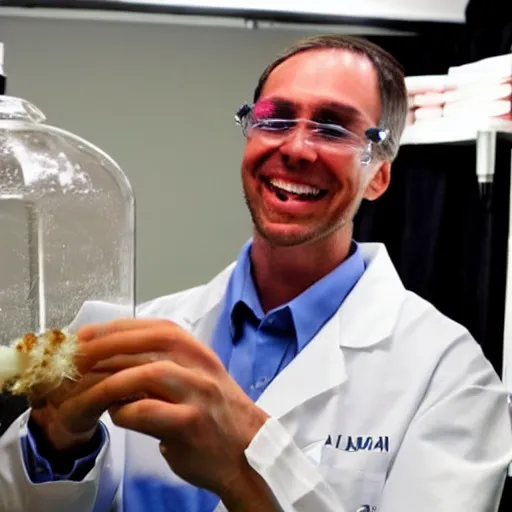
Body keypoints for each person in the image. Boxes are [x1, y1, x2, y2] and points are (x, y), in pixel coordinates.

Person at [1, 34, 512, 512]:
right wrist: (57, 446)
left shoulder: (449, 377)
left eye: (334, 127)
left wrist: (245, 462)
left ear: (378, 174)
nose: (294, 148)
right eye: (275, 118)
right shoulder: (147, 329)